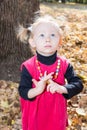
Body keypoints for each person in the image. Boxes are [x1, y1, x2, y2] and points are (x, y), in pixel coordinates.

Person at [17, 15, 83, 130]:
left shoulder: (64, 64)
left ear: (60, 41)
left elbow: (78, 84)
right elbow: (23, 91)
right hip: (35, 118)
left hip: (56, 116)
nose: (48, 39)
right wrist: (37, 90)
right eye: (42, 35)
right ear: (32, 42)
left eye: (52, 35)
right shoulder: (28, 66)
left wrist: (62, 88)